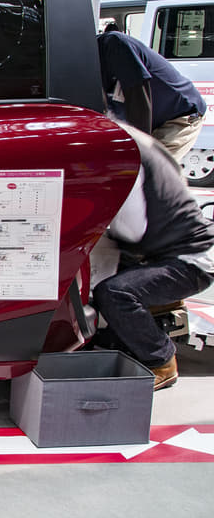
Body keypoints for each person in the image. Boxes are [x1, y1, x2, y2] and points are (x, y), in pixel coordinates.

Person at [91, 124, 214, 390]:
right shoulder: (138, 141)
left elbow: (132, 231)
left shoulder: (127, 158)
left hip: (189, 261)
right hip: (177, 249)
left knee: (115, 293)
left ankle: (161, 360)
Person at [97, 30, 206, 163]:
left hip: (179, 117)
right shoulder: (83, 66)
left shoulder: (114, 45)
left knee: (151, 170)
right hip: (150, 120)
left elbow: (138, 100)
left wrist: (140, 154)